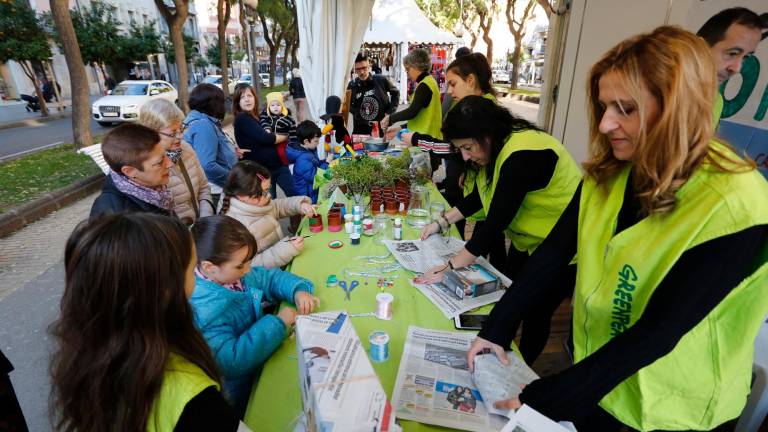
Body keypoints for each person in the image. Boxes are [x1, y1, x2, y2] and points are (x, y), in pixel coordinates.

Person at [465, 26, 768, 432]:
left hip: (674, 411)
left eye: (625, 108)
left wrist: (547, 397)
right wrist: (497, 328)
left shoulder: (737, 202)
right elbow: (554, 252)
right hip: (599, 382)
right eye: (605, 106)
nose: (606, 124)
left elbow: (660, 332)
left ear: (678, 108)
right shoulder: (610, 173)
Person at [415, 96, 581, 364]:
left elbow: (494, 224)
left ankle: (522, 368)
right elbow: (482, 196)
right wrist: (442, 222)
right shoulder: (495, 150)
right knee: (509, 301)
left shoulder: (523, 155)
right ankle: (497, 346)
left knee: (536, 313)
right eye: (461, 150)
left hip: (561, 249)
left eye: (468, 147)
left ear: (486, 134)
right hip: (527, 242)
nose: (466, 156)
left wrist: (448, 268)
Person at [50, 213, 239, 431]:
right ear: (167, 288)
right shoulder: (191, 396)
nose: (197, 276)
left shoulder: (91, 358)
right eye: (191, 268)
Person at [189, 215, 318, 414]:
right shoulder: (206, 310)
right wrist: (279, 322)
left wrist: (297, 290)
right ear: (209, 267)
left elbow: (270, 278)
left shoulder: (234, 274)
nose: (248, 269)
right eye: (241, 265)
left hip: (263, 358)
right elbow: (232, 361)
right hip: (241, 390)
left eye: (249, 262)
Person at [220, 160, 316, 269]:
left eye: (268, 189)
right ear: (241, 196)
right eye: (262, 193)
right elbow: (248, 266)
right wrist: (285, 250)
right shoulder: (235, 227)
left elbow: (277, 207)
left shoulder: (258, 201)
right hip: (268, 277)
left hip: (282, 261)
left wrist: (299, 205)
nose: (268, 196)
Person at [140, 99, 214, 224]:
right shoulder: (146, 167)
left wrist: (205, 219)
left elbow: (204, 188)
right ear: (151, 133)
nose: (180, 136)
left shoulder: (186, 149)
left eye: (181, 129)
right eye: (172, 133)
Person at [696, 7, 765, 125]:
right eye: (732, 53)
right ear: (701, 46)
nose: (737, 69)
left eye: (745, 57)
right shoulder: (658, 88)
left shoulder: (716, 101)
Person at [90, 123, 175, 217]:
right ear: (130, 171)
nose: (170, 164)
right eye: (160, 162)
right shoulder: (114, 215)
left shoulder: (155, 189)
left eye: (166, 155)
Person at [183, 83, 245, 208]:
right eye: (222, 101)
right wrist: (234, 180)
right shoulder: (203, 124)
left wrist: (231, 151)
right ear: (214, 103)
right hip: (217, 189)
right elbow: (208, 165)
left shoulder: (197, 119)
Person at [232, 85, 294, 199]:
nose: (247, 99)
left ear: (255, 98)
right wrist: (286, 136)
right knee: (269, 203)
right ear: (237, 102)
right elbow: (266, 138)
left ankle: (302, 216)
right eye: (242, 97)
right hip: (262, 172)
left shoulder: (257, 116)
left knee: (295, 198)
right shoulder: (242, 118)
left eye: (249, 95)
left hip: (278, 166)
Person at [380, 48, 443, 148]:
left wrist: (390, 118)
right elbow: (419, 116)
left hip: (427, 143)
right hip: (428, 140)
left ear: (416, 66)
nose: (407, 73)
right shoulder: (429, 82)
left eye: (408, 69)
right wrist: (400, 128)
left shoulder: (425, 85)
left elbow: (412, 112)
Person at [347, 53, 400, 135]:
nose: (361, 72)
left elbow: (395, 93)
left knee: (380, 147)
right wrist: (356, 112)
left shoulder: (381, 80)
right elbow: (346, 103)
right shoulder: (352, 85)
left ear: (369, 65)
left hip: (380, 127)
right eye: (358, 69)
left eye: (364, 68)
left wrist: (390, 112)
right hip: (360, 129)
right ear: (354, 69)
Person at [287, 120, 331, 203]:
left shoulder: (308, 150)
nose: (318, 143)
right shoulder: (302, 159)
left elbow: (315, 164)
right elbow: (316, 178)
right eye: (315, 141)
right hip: (308, 197)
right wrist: (327, 163)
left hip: (312, 192)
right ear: (306, 141)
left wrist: (325, 161)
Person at [259, 91, 298, 160]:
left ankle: (286, 163)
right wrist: (267, 128)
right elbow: (263, 120)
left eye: (278, 105)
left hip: (282, 142)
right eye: (272, 105)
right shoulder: (266, 114)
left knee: (283, 154)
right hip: (270, 140)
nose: (275, 107)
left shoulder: (288, 118)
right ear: (268, 106)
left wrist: (294, 143)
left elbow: (293, 131)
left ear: (282, 105)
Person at [441, 47, 471, 115]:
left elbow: (447, 99)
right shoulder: (473, 73)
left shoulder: (455, 72)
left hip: (457, 112)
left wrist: (441, 115)